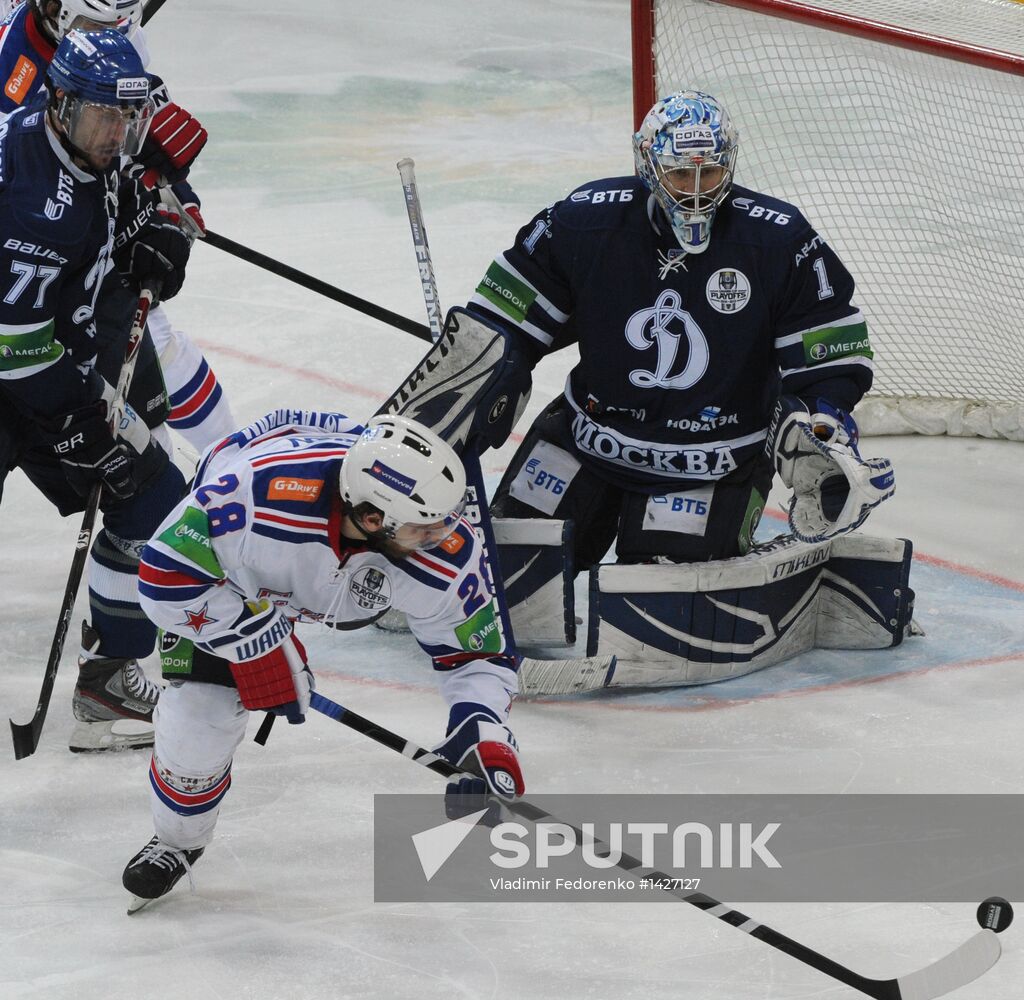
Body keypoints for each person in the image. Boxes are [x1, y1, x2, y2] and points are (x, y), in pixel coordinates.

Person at [445, 90, 900, 683]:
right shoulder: (586, 220)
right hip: (589, 440)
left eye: (708, 171)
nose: (694, 188)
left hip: (713, 461)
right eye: (678, 171)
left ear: (730, 163)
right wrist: (476, 376)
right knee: (500, 567)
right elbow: (505, 319)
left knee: (666, 595)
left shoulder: (778, 240)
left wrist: (823, 416)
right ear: (646, 164)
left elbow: (828, 352)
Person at [121, 410, 523, 910]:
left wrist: (481, 726)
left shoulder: (443, 547)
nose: (440, 540)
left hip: (319, 558)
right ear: (374, 519)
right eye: (423, 530)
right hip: (232, 578)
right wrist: (256, 643)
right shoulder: (250, 500)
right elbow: (164, 578)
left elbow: (478, 653)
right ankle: (177, 842)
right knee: (196, 725)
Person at [0, 28, 191, 749]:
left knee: (157, 502)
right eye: (103, 118)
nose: (118, 132)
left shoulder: (104, 128)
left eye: (127, 117)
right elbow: (14, 350)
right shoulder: (31, 208)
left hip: (52, 362)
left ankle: (108, 681)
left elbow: (165, 166)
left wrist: (167, 226)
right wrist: (81, 426)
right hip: (24, 368)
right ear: (58, 105)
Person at [0, 0, 236, 453]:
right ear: (54, 9)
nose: (112, 34)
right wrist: (130, 200)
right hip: (38, 250)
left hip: (88, 220)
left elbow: (132, 113)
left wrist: (171, 191)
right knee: (117, 373)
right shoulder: (12, 73)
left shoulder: (112, 30)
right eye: (94, 25)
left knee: (158, 348)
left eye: (121, 24)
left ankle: (228, 461)